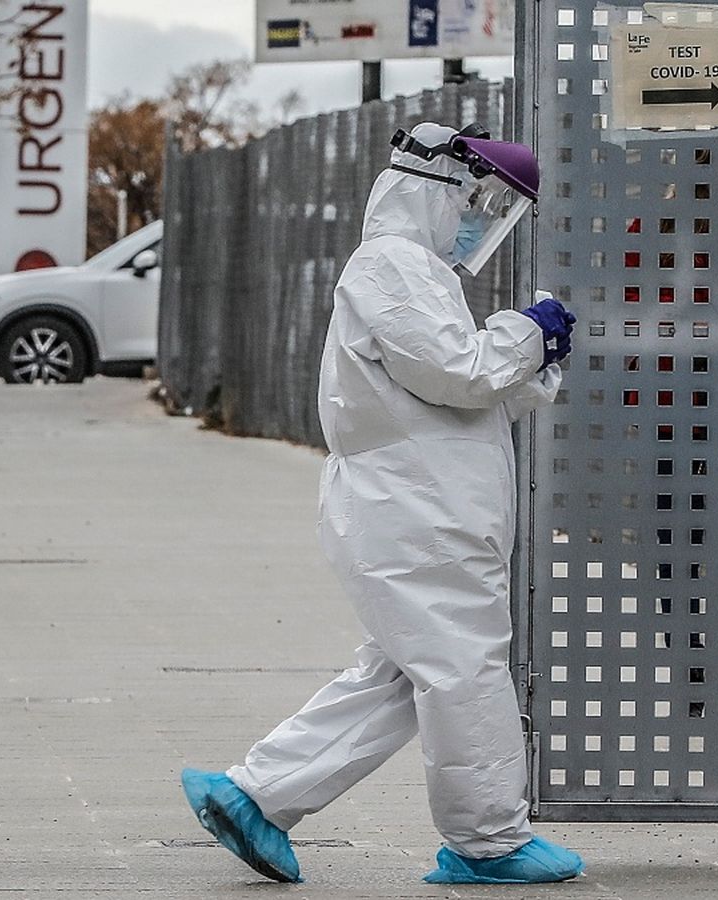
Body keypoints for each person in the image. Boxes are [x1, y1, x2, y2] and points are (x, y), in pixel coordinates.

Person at [180, 122, 583, 885]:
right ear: (438, 187)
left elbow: (456, 396)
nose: (481, 219)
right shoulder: (395, 266)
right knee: (463, 670)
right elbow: (458, 373)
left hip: (418, 513)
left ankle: (255, 795)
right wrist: (526, 334)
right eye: (481, 200)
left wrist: (532, 363)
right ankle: (489, 841)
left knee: (399, 677)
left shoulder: (415, 273)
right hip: (417, 517)